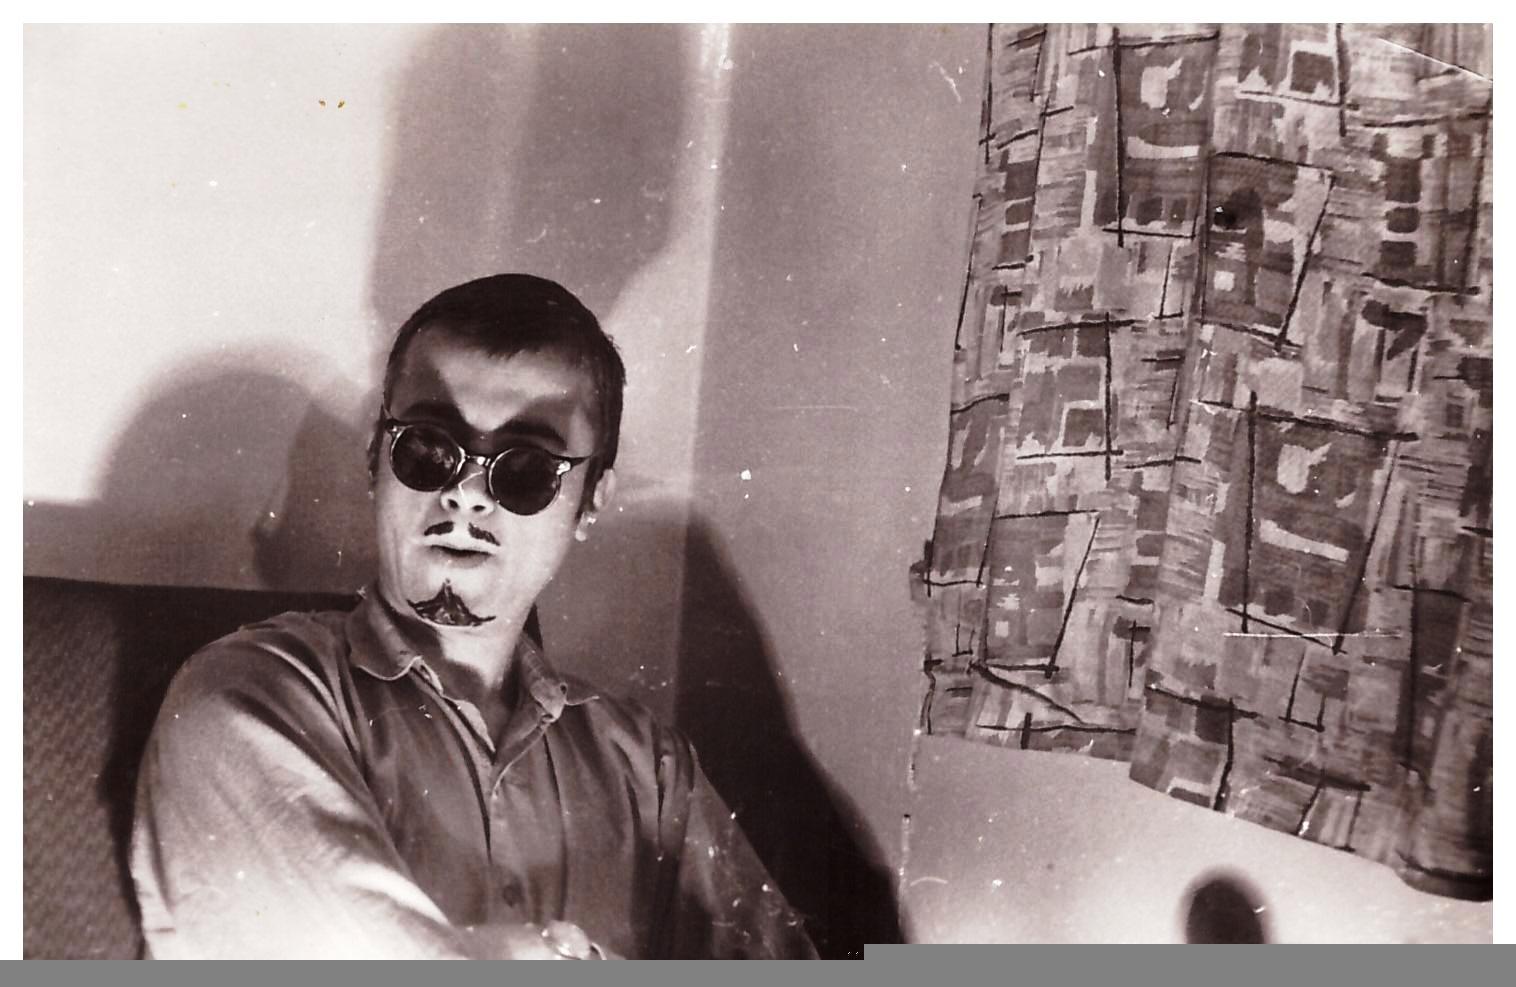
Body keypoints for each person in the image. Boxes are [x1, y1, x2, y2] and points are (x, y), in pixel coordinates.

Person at [129, 274, 819, 960]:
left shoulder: (652, 772)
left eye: (526, 468)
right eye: (428, 448)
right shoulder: (247, 697)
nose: (465, 494)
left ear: (589, 502)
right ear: (376, 460)